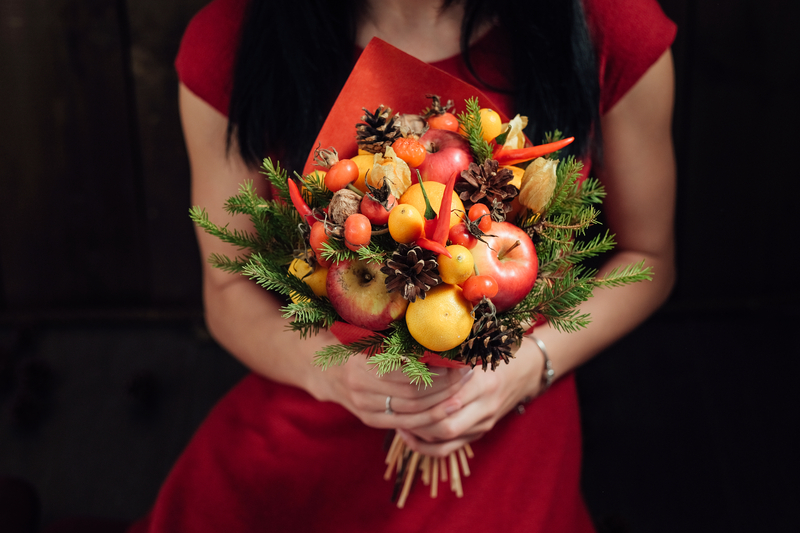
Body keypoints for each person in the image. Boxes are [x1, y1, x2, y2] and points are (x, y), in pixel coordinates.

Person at [130, 0, 676, 530]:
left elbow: (649, 259)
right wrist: (338, 372)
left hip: (505, 412)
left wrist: (531, 365)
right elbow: (227, 290)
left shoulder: (606, 19)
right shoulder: (231, 39)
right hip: (313, 412)